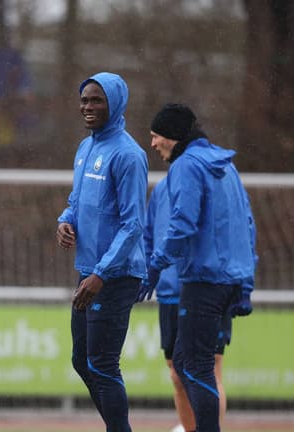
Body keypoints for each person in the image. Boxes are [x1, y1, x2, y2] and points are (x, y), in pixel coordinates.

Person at [137, 103, 257, 432]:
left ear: (173, 137)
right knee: (192, 366)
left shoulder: (185, 167)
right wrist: (245, 283)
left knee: (194, 367)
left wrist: (156, 267)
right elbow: (246, 224)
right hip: (224, 279)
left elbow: (183, 225)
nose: (153, 144)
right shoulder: (226, 166)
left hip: (203, 281)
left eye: (156, 136)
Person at [56, 72, 149, 432]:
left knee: (103, 363)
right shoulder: (85, 148)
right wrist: (65, 221)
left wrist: (101, 274)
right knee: (83, 360)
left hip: (117, 274)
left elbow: (133, 225)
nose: (88, 107)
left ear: (115, 103)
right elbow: (76, 202)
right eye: (84, 100)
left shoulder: (129, 155)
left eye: (97, 100)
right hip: (90, 270)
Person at [144, 176, 234, 432]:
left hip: (207, 288)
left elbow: (235, 230)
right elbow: (149, 235)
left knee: (209, 367)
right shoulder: (162, 188)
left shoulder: (216, 183)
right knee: (177, 374)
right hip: (171, 291)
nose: (154, 142)